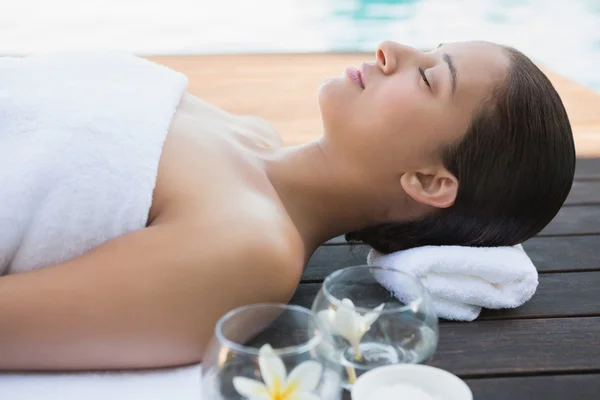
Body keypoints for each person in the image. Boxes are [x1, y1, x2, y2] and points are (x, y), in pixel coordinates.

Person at [0, 40, 575, 371]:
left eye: (429, 76)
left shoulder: (249, 254)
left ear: (427, 180)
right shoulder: (250, 131)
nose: (391, 48)